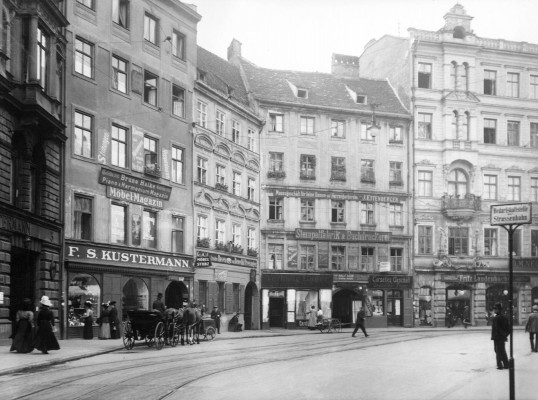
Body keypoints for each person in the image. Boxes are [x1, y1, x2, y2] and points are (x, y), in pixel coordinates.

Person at [491, 302, 510, 370]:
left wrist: (502, 335)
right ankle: (506, 364)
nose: (494, 311)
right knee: (502, 350)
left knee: (497, 351)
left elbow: (497, 328)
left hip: (497, 337)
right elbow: (508, 328)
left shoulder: (496, 318)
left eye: (495, 309)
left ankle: (499, 365)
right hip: (502, 337)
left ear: (499, 310)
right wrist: (505, 335)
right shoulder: (505, 317)